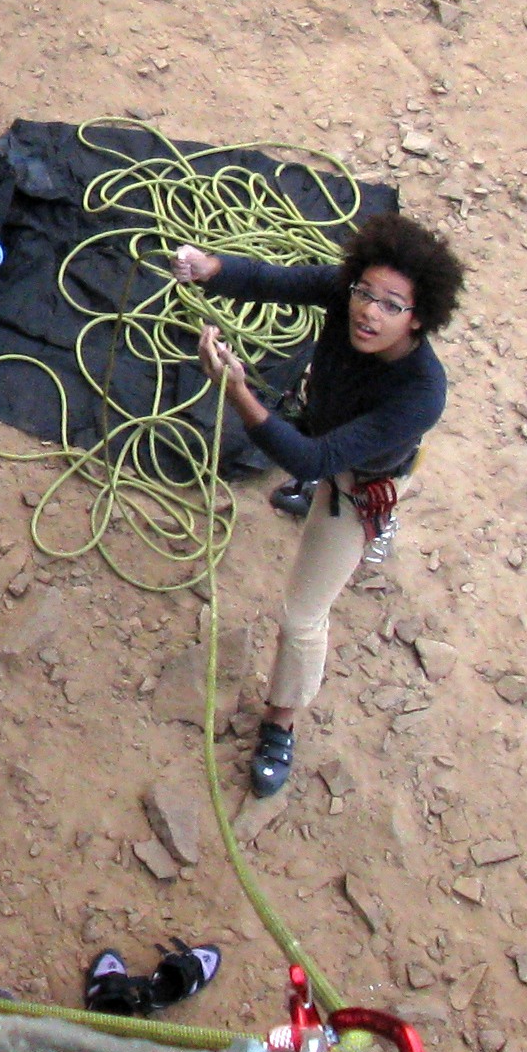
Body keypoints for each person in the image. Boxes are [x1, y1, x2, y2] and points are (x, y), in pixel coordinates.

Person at [174, 213, 462, 797]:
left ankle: (281, 721)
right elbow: (276, 280)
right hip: (325, 432)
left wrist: (237, 392)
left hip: (359, 478)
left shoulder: (421, 394)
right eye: (364, 294)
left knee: (303, 615)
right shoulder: (347, 297)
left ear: (420, 318)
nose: (368, 312)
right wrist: (212, 269)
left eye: (390, 305)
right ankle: (329, 509)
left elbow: (312, 460)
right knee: (314, 459)